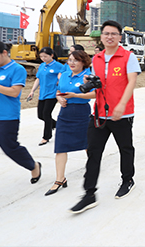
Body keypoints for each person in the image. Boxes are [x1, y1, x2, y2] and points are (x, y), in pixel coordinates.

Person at [69, 20, 141, 214]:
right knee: (93, 152)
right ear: (101, 37)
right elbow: (98, 87)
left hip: (122, 114)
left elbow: (131, 82)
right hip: (99, 114)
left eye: (114, 33)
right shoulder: (97, 59)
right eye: (106, 33)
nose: (110, 37)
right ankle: (89, 193)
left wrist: (121, 105)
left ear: (119, 37)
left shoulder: (128, 57)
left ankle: (127, 180)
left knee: (125, 148)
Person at [0, 41, 42, 200]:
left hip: (6, 118)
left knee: (10, 148)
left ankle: (33, 166)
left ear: (4, 53)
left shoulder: (17, 69)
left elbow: (14, 92)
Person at [46, 50, 94, 196]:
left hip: (81, 113)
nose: (71, 63)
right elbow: (58, 90)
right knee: (60, 146)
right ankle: (60, 179)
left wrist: (75, 95)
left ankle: (93, 169)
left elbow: (95, 93)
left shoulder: (88, 76)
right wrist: (59, 98)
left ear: (83, 62)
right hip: (65, 114)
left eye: (75, 60)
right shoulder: (65, 75)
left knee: (87, 145)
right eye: (70, 60)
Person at [27, 47, 64, 146]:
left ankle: (46, 137)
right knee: (40, 115)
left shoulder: (59, 66)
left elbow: (63, 78)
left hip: (52, 93)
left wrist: (59, 84)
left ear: (51, 55)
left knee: (46, 114)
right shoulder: (42, 65)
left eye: (45, 56)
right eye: (41, 56)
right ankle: (57, 125)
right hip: (43, 93)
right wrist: (32, 91)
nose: (43, 58)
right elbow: (38, 79)